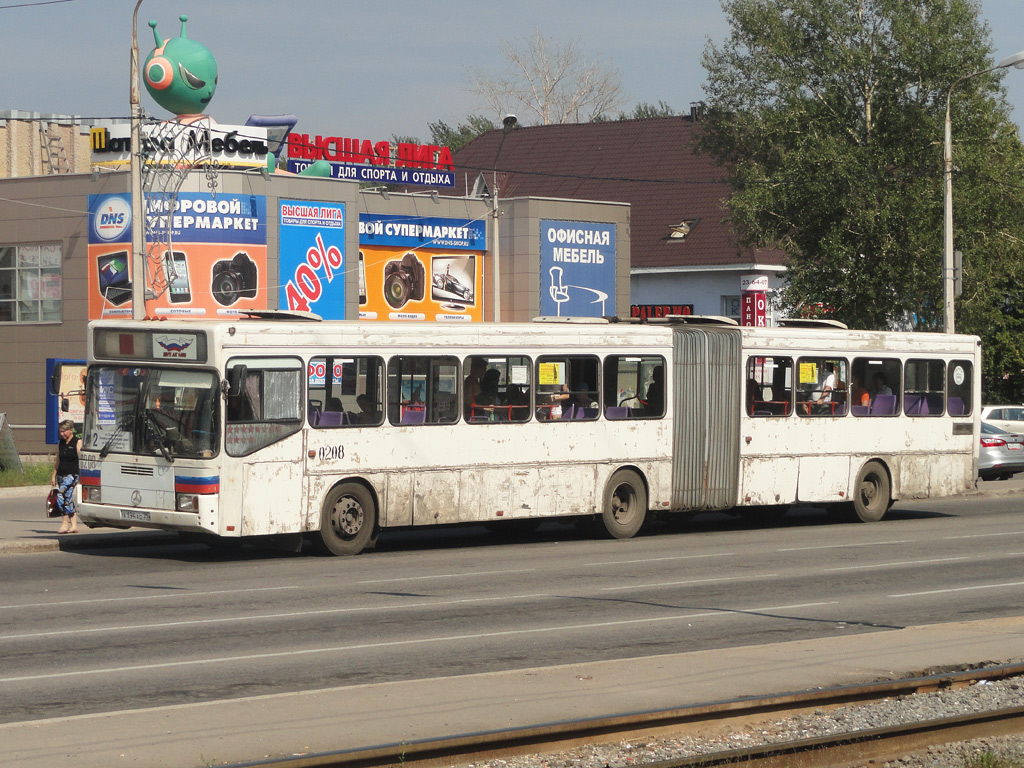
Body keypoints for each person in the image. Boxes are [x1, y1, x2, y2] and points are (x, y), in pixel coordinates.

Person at [50, 419, 80, 534]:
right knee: (67, 499)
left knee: (60, 496)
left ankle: (64, 524)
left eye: (64, 431)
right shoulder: (61, 443)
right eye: (60, 432)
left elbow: (81, 459)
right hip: (61, 474)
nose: (62, 434)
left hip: (72, 474)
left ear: (70, 430)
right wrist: (53, 476)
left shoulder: (77, 442)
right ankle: (74, 525)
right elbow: (58, 460)